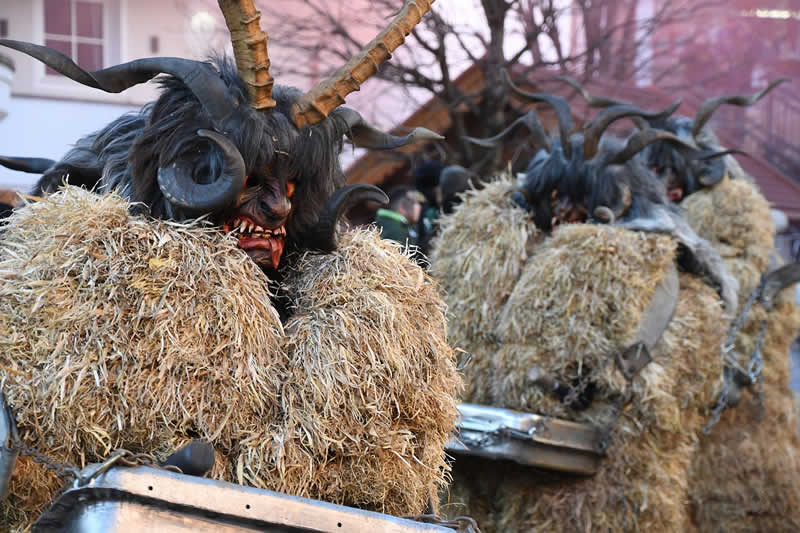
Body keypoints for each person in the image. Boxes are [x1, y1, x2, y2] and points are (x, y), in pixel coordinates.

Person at [374, 185, 425, 251]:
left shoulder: (402, 225)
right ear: (402, 207)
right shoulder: (395, 230)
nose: (419, 207)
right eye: (415, 203)